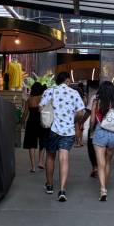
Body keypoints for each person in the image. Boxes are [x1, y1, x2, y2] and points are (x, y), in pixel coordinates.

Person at [40, 71, 86, 202]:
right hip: (68, 130)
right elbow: (81, 112)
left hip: (52, 129)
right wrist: (73, 119)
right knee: (64, 158)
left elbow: (41, 108)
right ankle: (62, 190)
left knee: (50, 156)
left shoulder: (50, 91)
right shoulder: (74, 93)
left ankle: (49, 186)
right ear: (67, 80)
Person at [90, 81, 114, 201]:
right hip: (113, 135)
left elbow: (93, 120)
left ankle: (103, 189)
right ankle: (105, 186)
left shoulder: (97, 102)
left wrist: (91, 131)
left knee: (100, 163)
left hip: (100, 133)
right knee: (108, 161)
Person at [22, 82, 48, 173]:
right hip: (42, 122)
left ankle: (33, 167)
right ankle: (40, 161)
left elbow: (25, 113)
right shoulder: (43, 99)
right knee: (43, 141)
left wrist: (22, 122)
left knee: (31, 144)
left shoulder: (29, 100)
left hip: (31, 122)